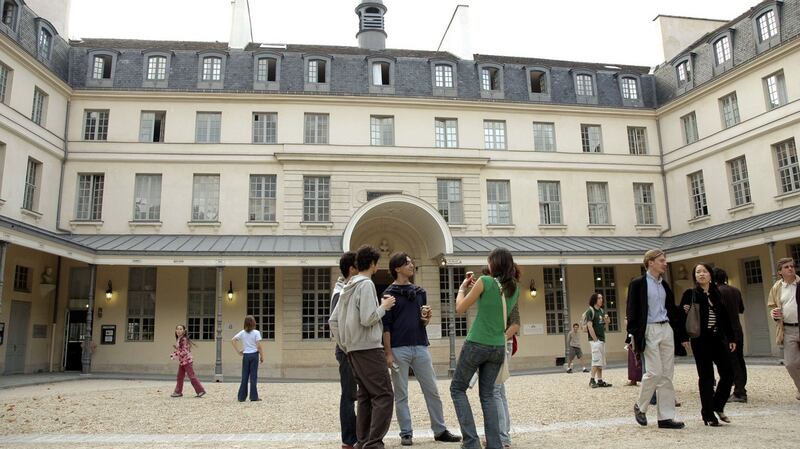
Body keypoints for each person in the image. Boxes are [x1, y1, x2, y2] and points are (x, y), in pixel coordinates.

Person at [381, 252, 461, 446]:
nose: (411, 264)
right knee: (401, 394)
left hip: (421, 346)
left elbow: (422, 320)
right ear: (397, 268)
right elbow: (386, 327)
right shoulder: (388, 294)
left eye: (411, 261)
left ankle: (440, 430)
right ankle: (406, 433)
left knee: (432, 390)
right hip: (398, 350)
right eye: (407, 263)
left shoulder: (420, 292)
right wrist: (388, 353)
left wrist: (426, 320)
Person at [450, 248, 520, 449]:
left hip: (476, 344)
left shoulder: (485, 281)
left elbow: (460, 308)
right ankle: (495, 444)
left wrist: (463, 288)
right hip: (498, 347)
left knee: (457, 389)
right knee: (488, 395)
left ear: (494, 264)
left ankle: (471, 442)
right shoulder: (514, 288)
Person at [329, 245, 396, 449]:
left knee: (366, 396)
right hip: (369, 348)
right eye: (377, 264)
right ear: (373, 264)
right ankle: (373, 443)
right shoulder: (365, 284)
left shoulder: (347, 286)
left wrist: (346, 344)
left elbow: (333, 321)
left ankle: (363, 441)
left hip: (353, 351)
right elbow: (368, 318)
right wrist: (384, 307)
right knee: (384, 395)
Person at [626, 249, 688, 429]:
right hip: (649, 329)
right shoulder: (638, 283)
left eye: (665, 260)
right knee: (654, 372)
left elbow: (671, 310)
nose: (665, 263)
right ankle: (640, 406)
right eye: (661, 260)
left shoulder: (664, 285)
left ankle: (666, 417)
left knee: (667, 374)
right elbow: (632, 310)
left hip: (666, 328)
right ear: (650, 262)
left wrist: (682, 318)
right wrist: (634, 334)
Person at [680, 263, 736, 426]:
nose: (701, 274)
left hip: (717, 338)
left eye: (704, 271)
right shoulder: (690, 294)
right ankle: (708, 414)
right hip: (700, 340)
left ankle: (717, 405)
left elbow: (725, 317)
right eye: (698, 272)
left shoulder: (717, 294)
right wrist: (683, 337)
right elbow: (681, 317)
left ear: (710, 275)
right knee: (706, 377)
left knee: (728, 373)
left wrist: (731, 338)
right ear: (695, 276)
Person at [331, 251, 359, 449]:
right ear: (352, 269)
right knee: (349, 396)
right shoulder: (340, 293)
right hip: (348, 350)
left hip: (353, 349)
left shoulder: (347, 288)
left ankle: (357, 435)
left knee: (355, 395)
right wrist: (347, 347)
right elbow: (334, 324)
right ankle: (349, 440)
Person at [767, 257, 800, 401]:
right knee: (790, 364)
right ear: (780, 271)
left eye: (792, 266)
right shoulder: (777, 287)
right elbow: (773, 306)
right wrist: (774, 313)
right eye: (786, 267)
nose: (790, 268)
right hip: (787, 329)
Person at [713, 267, 748, 403]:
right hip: (738, 329)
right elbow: (741, 309)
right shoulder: (735, 290)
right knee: (740, 359)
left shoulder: (716, 292)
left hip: (726, 332)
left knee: (731, 361)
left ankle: (739, 392)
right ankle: (741, 388)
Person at [231, 315, 264, 402]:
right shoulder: (256, 333)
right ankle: (253, 397)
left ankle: (241, 397)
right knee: (253, 377)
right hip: (254, 355)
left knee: (244, 376)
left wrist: (238, 351)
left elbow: (233, 340)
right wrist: (262, 356)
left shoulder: (242, 332)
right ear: (253, 323)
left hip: (246, 356)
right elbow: (258, 346)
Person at [169, 324, 206, 398]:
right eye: (177, 329)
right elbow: (180, 350)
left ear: (184, 331)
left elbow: (184, 351)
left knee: (192, 376)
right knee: (179, 376)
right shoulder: (179, 339)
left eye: (180, 329)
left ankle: (200, 390)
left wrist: (175, 355)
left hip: (187, 361)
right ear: (175, 331)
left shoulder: (184, 339)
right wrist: (175, 354)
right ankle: (178, 392)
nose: (179, 331)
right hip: (182, 362)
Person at [585, 293, 612, 388]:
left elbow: (608, 322)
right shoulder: (590, 311)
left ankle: (600, 380)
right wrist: (595, 339)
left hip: (601, 339)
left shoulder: (601, 311)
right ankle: (592, 380)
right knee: (596, 360)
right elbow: (589, 326)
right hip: (595, 340)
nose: (601, 299)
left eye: (601, 298)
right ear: (594, 300)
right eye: (599, 298)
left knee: (600, 361)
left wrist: (607, 318)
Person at [625, 318, 642, 386]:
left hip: (635, 335)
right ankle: (634, 379)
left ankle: (634, 379)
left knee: (634, 360)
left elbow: (628, 324)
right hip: (633, 335)